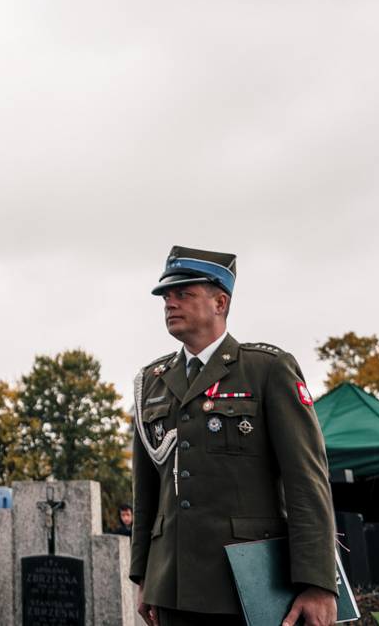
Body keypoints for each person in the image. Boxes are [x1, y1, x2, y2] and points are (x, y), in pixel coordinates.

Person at [131, 247, 336, 626]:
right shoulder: (151, 383)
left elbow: (306, 481)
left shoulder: (266, 370)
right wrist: (144, 574)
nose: (169, 303)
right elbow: (146, 491)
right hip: (172, 585)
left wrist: (318, 583)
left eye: (183, 294)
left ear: (220, 302)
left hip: (251, 584)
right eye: (165, 296)